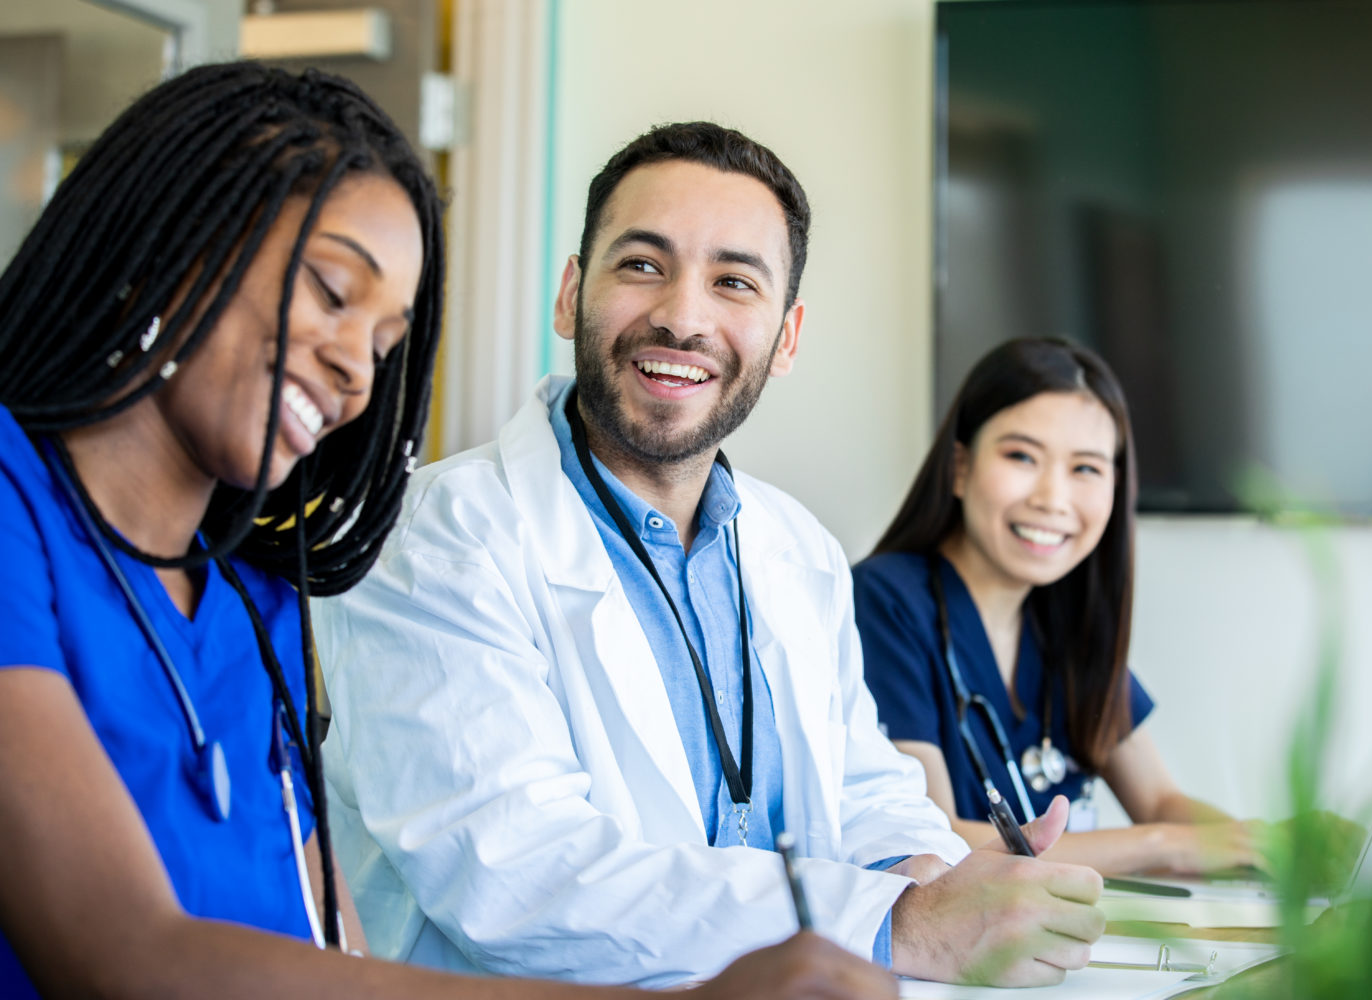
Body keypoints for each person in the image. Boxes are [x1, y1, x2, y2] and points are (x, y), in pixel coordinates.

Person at [0, 62, 893, 1000]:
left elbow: (328, 956)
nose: (356, 367)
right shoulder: (21, 516)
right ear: (171, 238)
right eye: (333, 293)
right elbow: (128, 957)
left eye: (389, 340)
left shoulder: (248, 596)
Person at [311, 122, 1106, 991]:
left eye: (733, 282)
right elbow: (514, 875)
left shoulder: (797, 548)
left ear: (787, 337)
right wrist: (898, 924)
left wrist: (926, 870)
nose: (683, 317)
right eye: (641, 265)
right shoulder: (434, 536)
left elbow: (859, 784)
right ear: (571, 294)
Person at [853, 338, 1264, 876]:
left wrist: (1268, 848)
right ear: (959, 467)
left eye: (1086, 468)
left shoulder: (1066, 621)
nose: (1053, 498)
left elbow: (1161, 804)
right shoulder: (883, 601)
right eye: (1022, 456)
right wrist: (1165, 845)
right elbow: (935, 832)